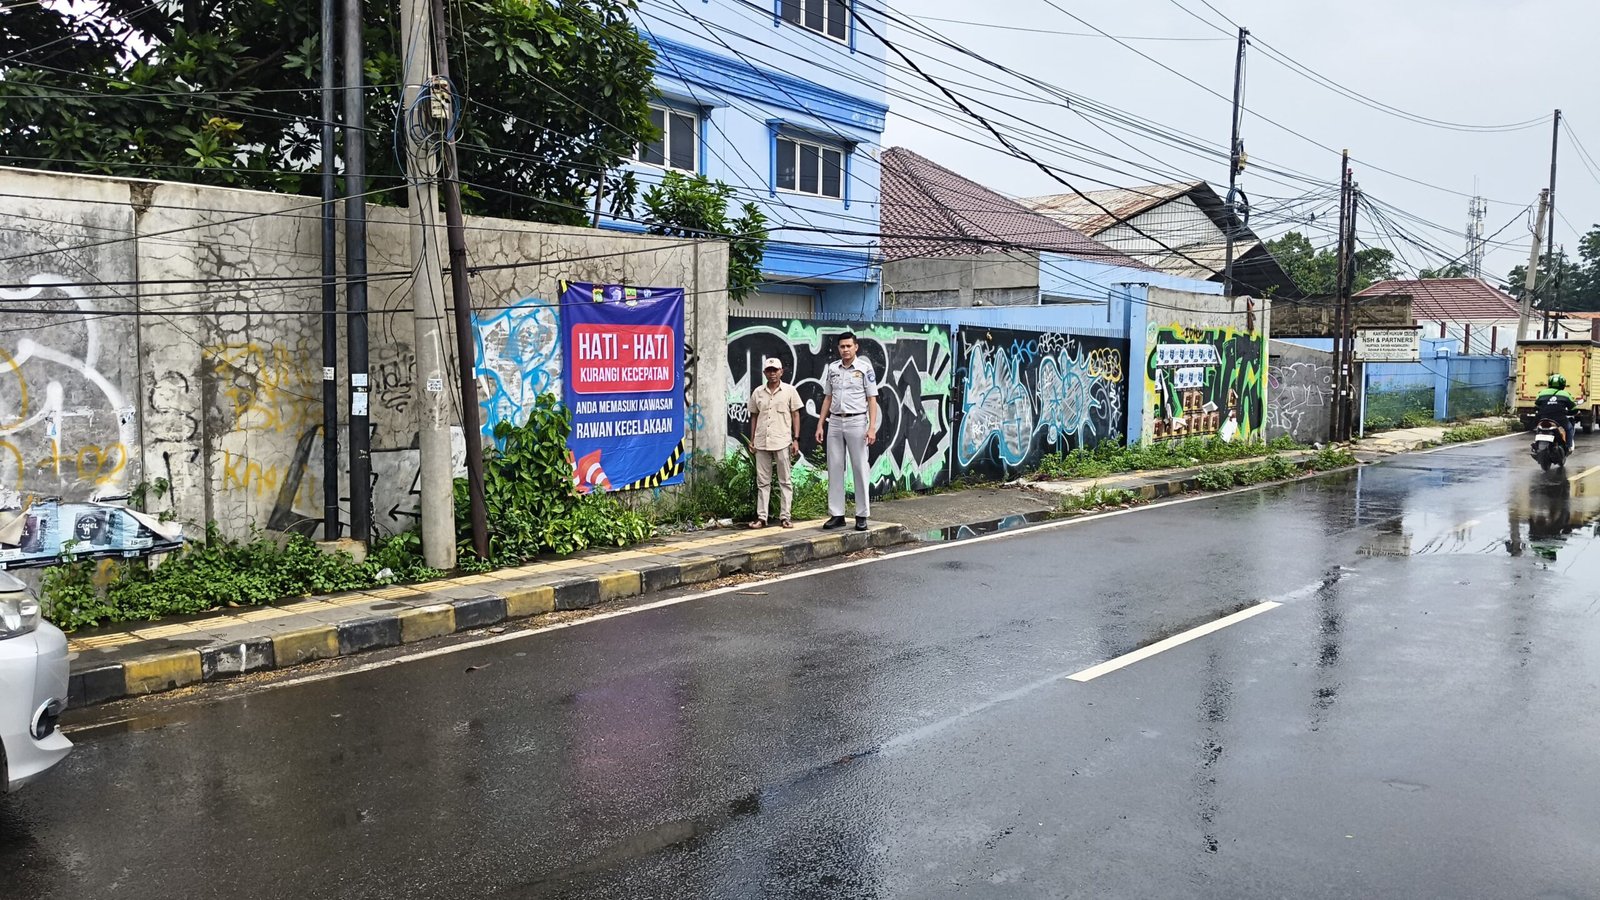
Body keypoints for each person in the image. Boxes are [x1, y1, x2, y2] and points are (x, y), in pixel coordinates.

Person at [815, 332, 879, 532]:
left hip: (857, 421)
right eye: (842, 346)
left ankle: (861, 515)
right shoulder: (833, 368)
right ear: (838, 349)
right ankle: (837, 514)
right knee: (834, 467)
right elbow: (827, 397)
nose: (845, 350)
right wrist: (820, 424)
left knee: (859, 468)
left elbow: (872, 399)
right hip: (834, 421)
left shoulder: (864, 369)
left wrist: (871, 427)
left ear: (856, 347)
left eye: (849, 346)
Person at [748, 357, 802, 529]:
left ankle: (785, 517)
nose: (772, 374)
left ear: (781, 372)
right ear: (764, 372)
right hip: (762, 441)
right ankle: (762, 518)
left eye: (775, 370)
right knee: (762, 481)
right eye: (769, 370)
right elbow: (754, 416)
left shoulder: (789, 391)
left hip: (782, 441)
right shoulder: (758, 392)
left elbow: (795, 415)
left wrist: (796, 439)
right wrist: (752, 439)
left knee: (785, 481)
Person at [1536, 373, 1578, 453]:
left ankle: (1536, 444)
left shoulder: (1541, 393)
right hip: (1560, 419)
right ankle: (1569, 446)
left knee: (1538, 428)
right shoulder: (1566, 394)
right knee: (1569, 428)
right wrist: (1571, 412)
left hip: (1543, 418)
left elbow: (1536, 406)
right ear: (1563, 384)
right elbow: (1573, 409)